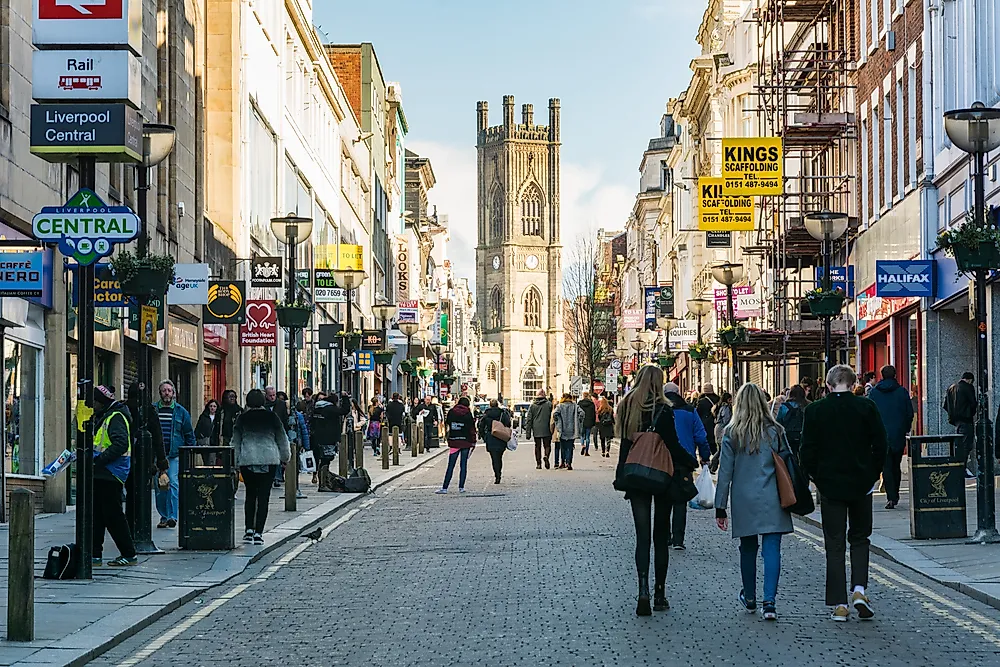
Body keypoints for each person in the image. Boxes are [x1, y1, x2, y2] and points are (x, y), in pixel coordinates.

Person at [799, 364, 888, 622]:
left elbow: (807, 450)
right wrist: (873, 474)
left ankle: (839, 603)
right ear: (853, 384)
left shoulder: (815, 410)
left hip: (830, 486)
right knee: (860, 538)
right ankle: (859, 590)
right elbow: (880, 444)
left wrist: (816, 477)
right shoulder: (866, 407)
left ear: (827, 385)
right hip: (861, 484)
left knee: (835, 544)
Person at [613, 365, 697, 615]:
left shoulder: (628, 406)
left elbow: (625, 445)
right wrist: (691, 461)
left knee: (642, 538)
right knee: (661, 536)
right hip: (661, 476)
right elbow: (672, 445)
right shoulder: (664, 409)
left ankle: (642, 591)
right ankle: (660, 593)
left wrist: (621, 474)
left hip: (636, 475)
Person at [713, 382, 793, 621]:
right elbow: (788, 463)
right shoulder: (776, 431)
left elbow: (725, 473)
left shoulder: (732, 433)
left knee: (747, 549)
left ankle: (749, 597)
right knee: (772, 550)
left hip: (743, 498)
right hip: (773, 496)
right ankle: (769, 603)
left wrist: (720, 506)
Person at [231, 388, 291, 545]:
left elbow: (235, 441)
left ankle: (248, 530)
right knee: (264, 496)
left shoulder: (242, 418)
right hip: (269, 459)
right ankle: (259, 532)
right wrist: (285, 457)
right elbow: (282, 438)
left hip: (248, 459)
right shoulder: (272, 417)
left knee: (250, 495)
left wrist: (235, 461)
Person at [92, 385, 139, 567]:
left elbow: (120, 444)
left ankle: (129, 553)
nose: (92, 405)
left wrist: (99, 460)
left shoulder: (116, 417)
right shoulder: (105, 415)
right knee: (97, 515)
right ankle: (94, 554)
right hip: (103, 472)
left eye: (94, 402)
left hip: (112, 473)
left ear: (100, 402)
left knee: (113, 515)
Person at [663, 382, 711, 550]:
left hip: (661, 460)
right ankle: (678, 539)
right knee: (680, 499)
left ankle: (664, 536)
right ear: (678, 393)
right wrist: (705, 457)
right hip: (684, 460)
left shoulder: (659, 409)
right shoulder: (690, 410)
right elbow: (700, 436)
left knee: (663, 499)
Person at [124, 380, 168, 537]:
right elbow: (158, 437)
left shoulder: (125, 408)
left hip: (127, 460)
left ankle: (130, 524)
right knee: (141, 493)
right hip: (144, 461)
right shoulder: (149, 411)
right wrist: (162, 462)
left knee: (131, 494)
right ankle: (140, 525)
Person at [868, 365, 915, 510]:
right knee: (896, 465)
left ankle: (891, 497)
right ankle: (895, 494)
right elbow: (909, 413)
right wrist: (905, 429)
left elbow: (870, 414)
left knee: (886, 466)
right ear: (895, 375)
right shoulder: (902, 392)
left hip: (881, 435)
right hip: (898, 434)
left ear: (881, 375)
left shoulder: (874, 393)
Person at [154, 379, 195, 529]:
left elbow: (189, 433)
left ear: (174, 393)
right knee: (160, 487)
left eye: (169, 390)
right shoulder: (153, 410)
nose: (166, 393)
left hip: (173, 455)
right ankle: (164, 516)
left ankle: (173, 516)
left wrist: (190, 452)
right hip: (157, 456)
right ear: (160, 392)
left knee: (173, 484)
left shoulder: (181, 412)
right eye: (164, 390)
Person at [436, 396, 477, 493]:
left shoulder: (452, 412)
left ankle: (445, 487)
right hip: (466, 441)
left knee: (451, 465)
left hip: (454, 440)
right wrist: (473, 441)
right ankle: (461, 487)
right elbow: (471, 428)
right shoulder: (467, 413)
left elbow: (448, 423)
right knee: (463, 465)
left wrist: (448, 436)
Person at [310, 391, 351, 484]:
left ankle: (322, 479)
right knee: (326, 459)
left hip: (317, 437)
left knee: (320, 458)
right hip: (328, 438)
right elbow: (344, 410)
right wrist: (345, 398)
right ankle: (323, 482)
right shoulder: (330, 409)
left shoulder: (317, 408)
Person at [944, 371, 978, 478]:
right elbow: (973, 403)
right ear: (969, 380)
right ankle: (962, 469)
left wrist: (953, 414)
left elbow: (945, 405)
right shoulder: (968, 388)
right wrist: (970, 412)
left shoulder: (951, 388)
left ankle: (958, 468)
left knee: (959, 445)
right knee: (966, 445)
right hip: (966, 421)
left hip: (956, 422)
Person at [478, 399, 512, 483]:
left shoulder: (486, 415)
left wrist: (484, 437)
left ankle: (497, 474)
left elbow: (481, 426)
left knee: (494, 458)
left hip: (491, 437)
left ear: (490, 405)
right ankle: (499, 473)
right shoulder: (503, 413)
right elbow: (508, 424)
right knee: (499, 457)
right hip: (501, 437)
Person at [524, 389, 554, 469]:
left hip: (536, 429)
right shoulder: (549, 404)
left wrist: (528, 433)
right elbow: (553, 417)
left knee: (537, 446)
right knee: (547, 445)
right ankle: (546, 456)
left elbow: (529, 420)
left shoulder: (532, 405)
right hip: (547, 428)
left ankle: (538, 463)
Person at [553, 393, 583, 471]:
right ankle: (569, 463)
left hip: (562, 428)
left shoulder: (560, 406)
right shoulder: (575, 406)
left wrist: (557, 421)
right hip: (572, 429)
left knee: (563, 447)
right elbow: (582, 413)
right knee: (570, 447)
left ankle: (563, 462)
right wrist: (579, 420)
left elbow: (555, 414)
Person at [776, 385, 808, 458]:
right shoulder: (806, 406)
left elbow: (778, 423)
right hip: (802, 436)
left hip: (787, 437)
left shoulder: (783, 407)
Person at [696, 383, 721, 455]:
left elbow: (698, 414)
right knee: (715, 444)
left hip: (705, 425)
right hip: (717, 424)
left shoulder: (701, 401)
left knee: (707, 443)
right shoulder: (718, 400)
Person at [578, 391, 597, 456]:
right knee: (587, 437)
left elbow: (578, 413)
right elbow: (593, 414)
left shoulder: (579, 403)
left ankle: (583, 445)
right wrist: (593, 422)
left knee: (582, 435)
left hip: (582, 422)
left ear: (583, 396)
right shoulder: (591, 404)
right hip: (589, 422)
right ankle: (587, 451)